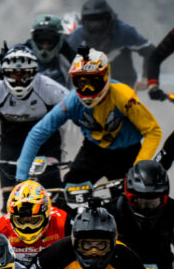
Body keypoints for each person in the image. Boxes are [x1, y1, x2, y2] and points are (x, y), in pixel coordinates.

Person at [15, 48, 162, 187]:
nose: (86, 90)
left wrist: (138, 168)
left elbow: (153, 132)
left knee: (126, 205)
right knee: (65, 197)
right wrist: (21, 177)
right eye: (81, 83)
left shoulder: (124, 97)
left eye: (93, 83)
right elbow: (38, 132)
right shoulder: (72, 101)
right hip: (93, 152)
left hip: (127, 155)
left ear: (105, 78)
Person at [0, 44, 69, 207]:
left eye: (24, 74)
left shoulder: (48, 87)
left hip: (45, 141)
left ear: (35, 72)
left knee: (53, 193)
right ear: (3, 73)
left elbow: (76, 109)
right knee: (9, 200)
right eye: (12, 74)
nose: (18, 80)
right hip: (11, 142)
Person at [67, 0, 153, 87]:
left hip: (123, 86)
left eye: (100, 22)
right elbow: (64, 60)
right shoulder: (78, 37)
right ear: (84, 22)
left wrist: (146, 77)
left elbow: (150, 50)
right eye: (92, 23)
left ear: (109, 20)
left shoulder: (124, 32)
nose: (96, 27)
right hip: (89, 88)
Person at [0, 181, 69, 268]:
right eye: (21, 220)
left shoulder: (62, 221)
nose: (27, 227)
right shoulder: (3, 224)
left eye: (33, 220)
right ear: (11, 217)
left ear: (46, 214)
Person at [27, 14, 78, 87]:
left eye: (50, 41)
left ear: (59, 41)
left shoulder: (67, 56)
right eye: (40, 41)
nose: (45, 46)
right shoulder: (23, 54)